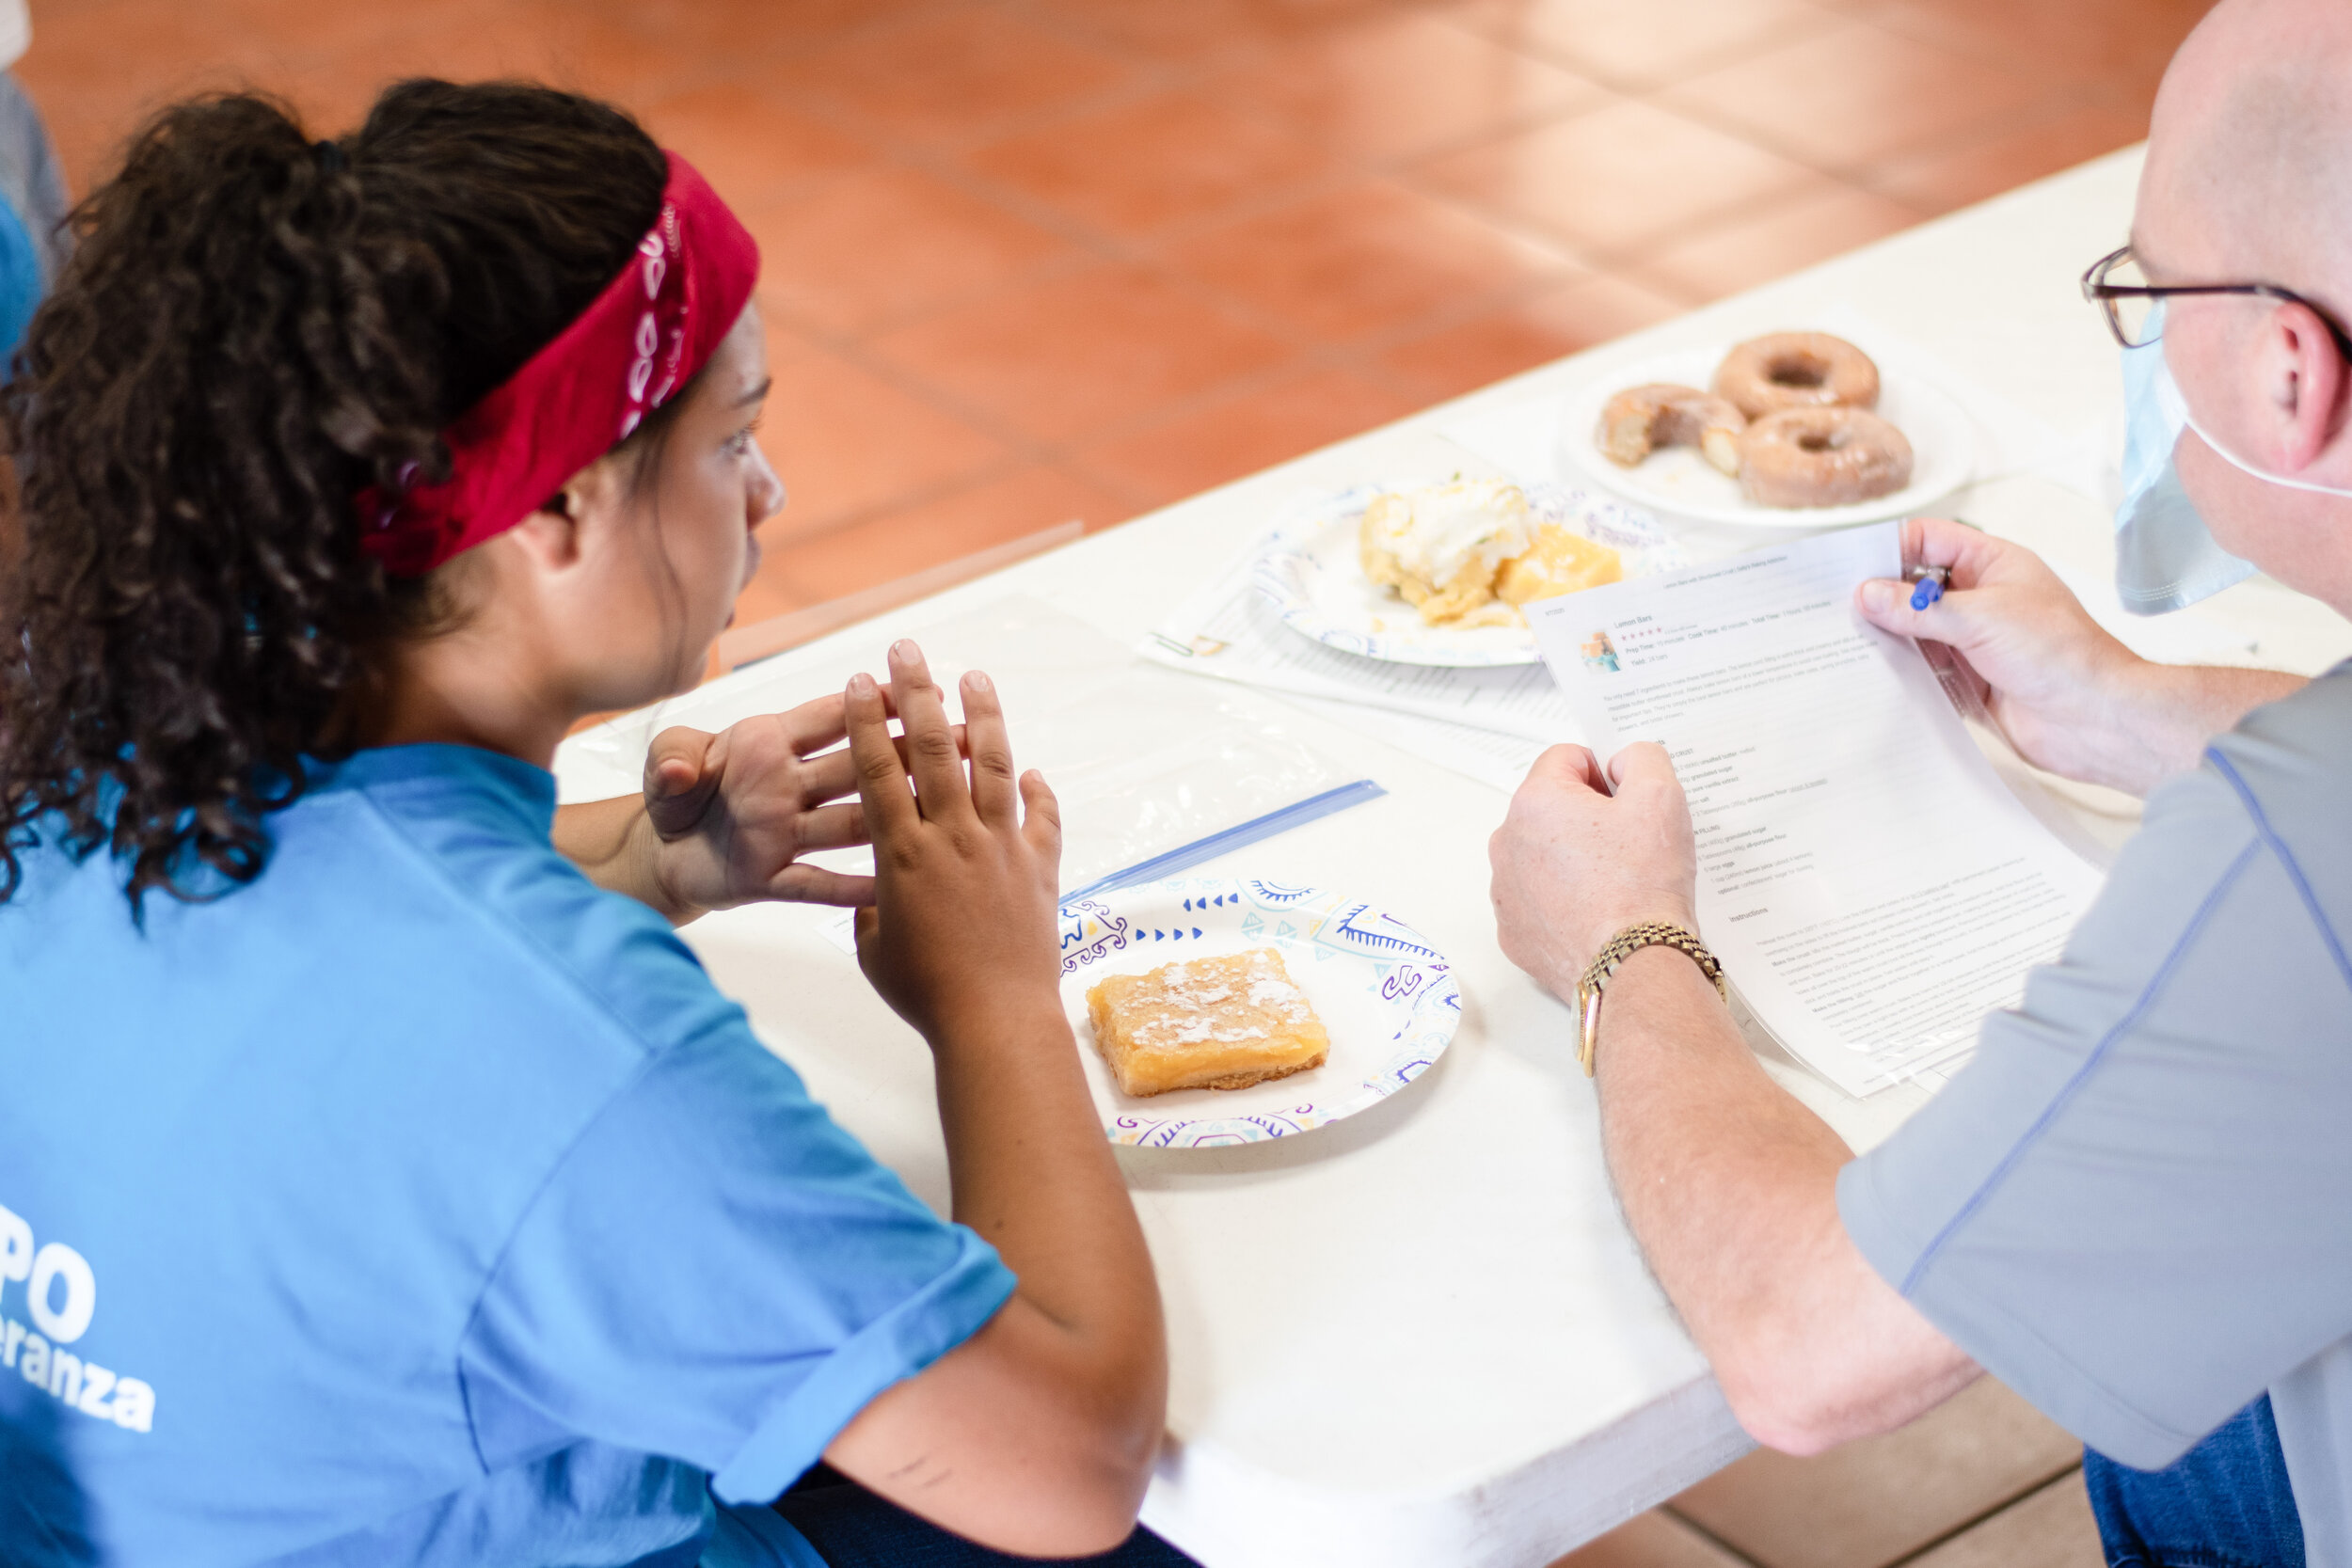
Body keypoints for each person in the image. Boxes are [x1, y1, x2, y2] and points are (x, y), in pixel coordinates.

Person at [0, 82, 1194, 1568]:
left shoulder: (99, 781)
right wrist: (995, 991)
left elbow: (324, 972)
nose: (768, 493)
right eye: (728, 440)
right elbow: (1075, 1463)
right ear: (559, 505)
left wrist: (645, 860)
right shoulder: (572, 1056)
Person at [1488, 2, 2352, 1564]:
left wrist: (1624, 946)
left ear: (2294, 369)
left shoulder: (2301, 852)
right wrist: (2133, 708)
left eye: (2148, 292)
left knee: (2182, 1436)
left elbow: (1813, 1352)